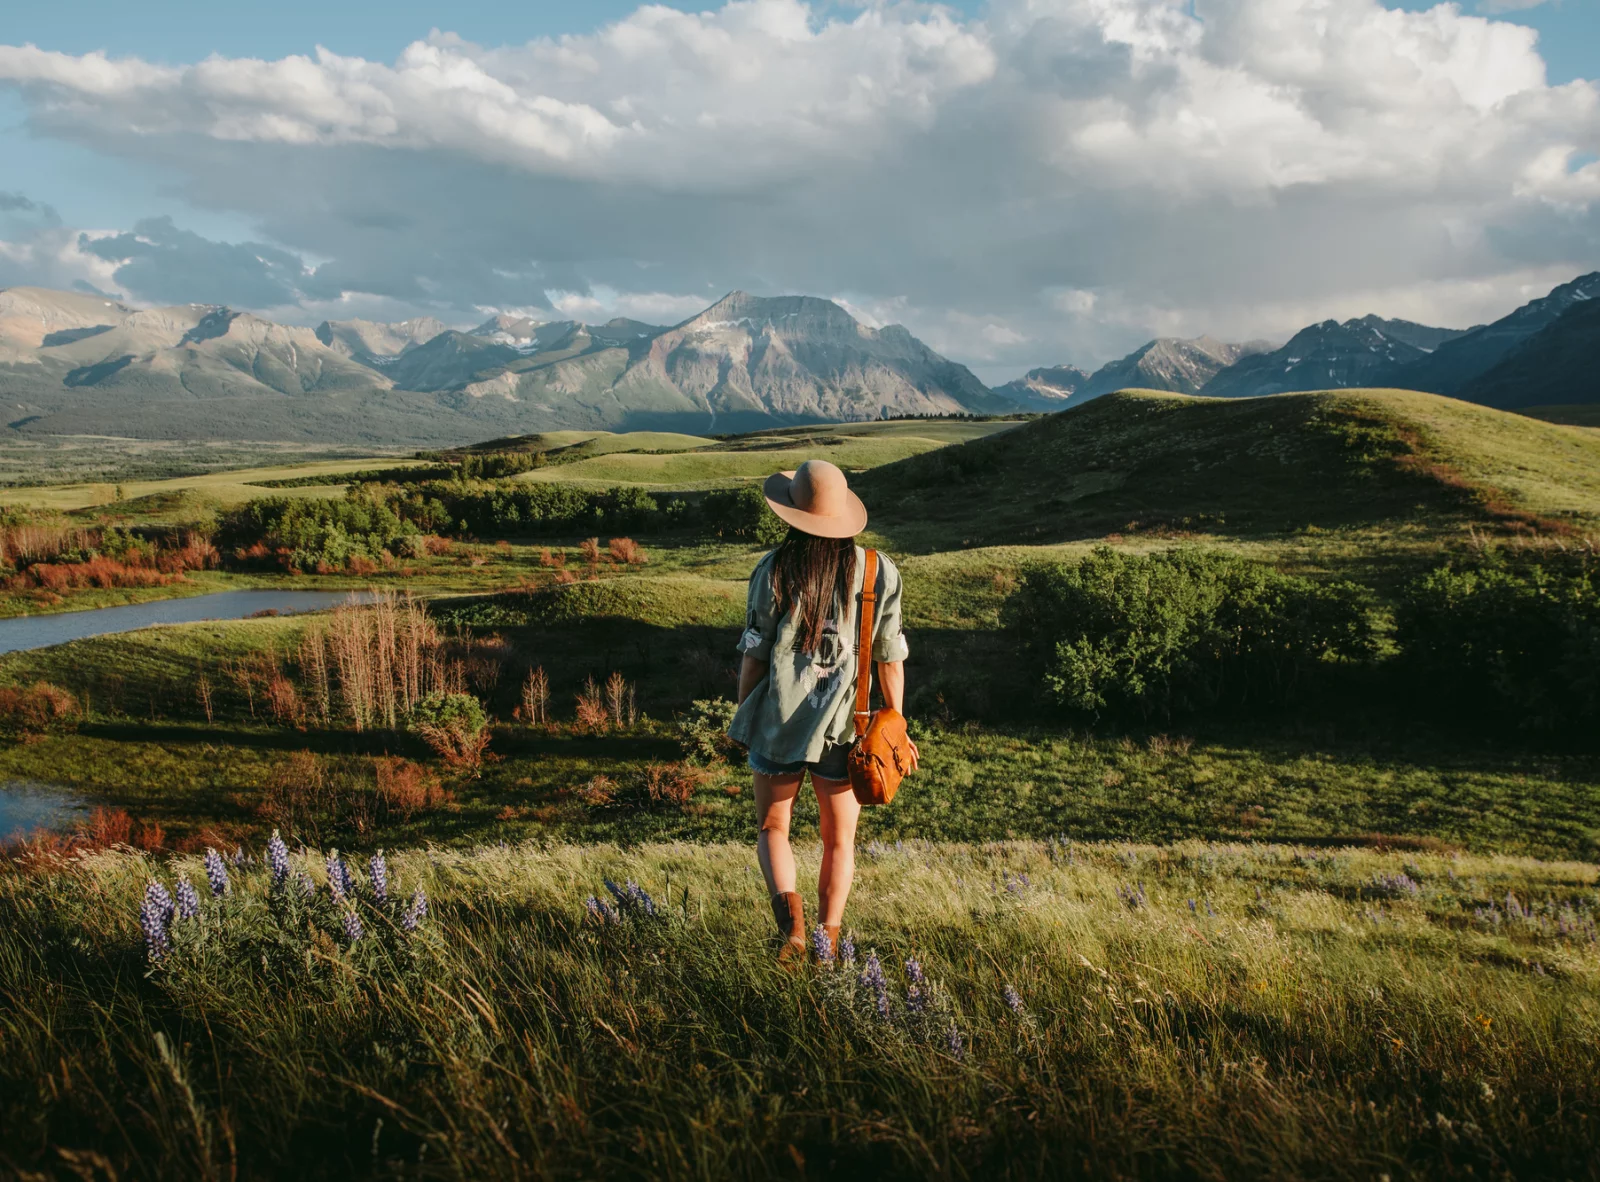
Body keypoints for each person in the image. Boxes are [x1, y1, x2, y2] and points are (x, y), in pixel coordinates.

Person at [727, 458, 919, 965]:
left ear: (791, 516)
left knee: (773, 829)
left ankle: (791, 932)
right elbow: (890, 658)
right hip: (845, 730)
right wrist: (894, 723)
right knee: (840, 842)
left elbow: (755, 654)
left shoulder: (772, 571)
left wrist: (743, 715)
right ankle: (826, 944)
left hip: (777, 724)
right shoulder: (877, 571)